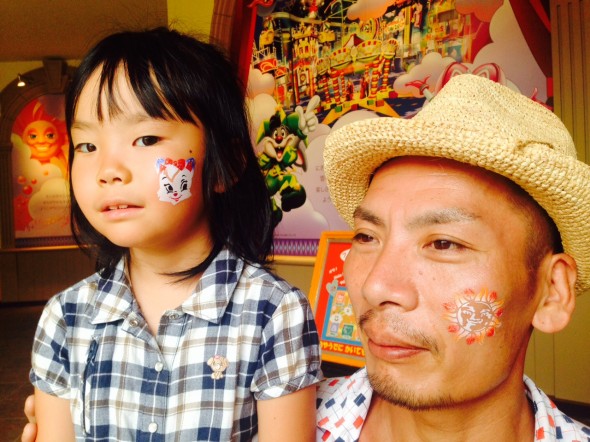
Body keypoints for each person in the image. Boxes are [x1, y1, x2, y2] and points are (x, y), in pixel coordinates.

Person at [26, 27, 321, 442]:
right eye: (87, 146)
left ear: (226, 165)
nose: (108, 170)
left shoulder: (274, 313)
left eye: (146, 138)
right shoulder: (65, 318)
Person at [315, 74, 590, 441]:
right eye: (367, 236)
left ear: (552, 291)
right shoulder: (280, 422)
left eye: (444, 244)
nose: (375, 286)